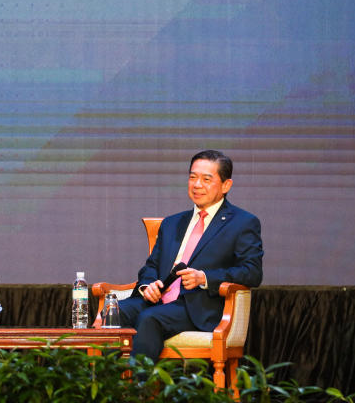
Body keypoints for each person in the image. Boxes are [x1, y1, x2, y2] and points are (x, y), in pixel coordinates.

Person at [96, 149, 263, 360]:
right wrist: (148, 286)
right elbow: (151, 266)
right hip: (157, 301)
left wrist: (205, 278)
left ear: (226, 185)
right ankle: (105, 385)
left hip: (199, 307)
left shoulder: (242, 222)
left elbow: (252, 272)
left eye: (206, 179)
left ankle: (139, 389)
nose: (197, 185)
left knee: (150, 319)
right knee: (112, 313)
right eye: (192, 177)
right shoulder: (172, 223)